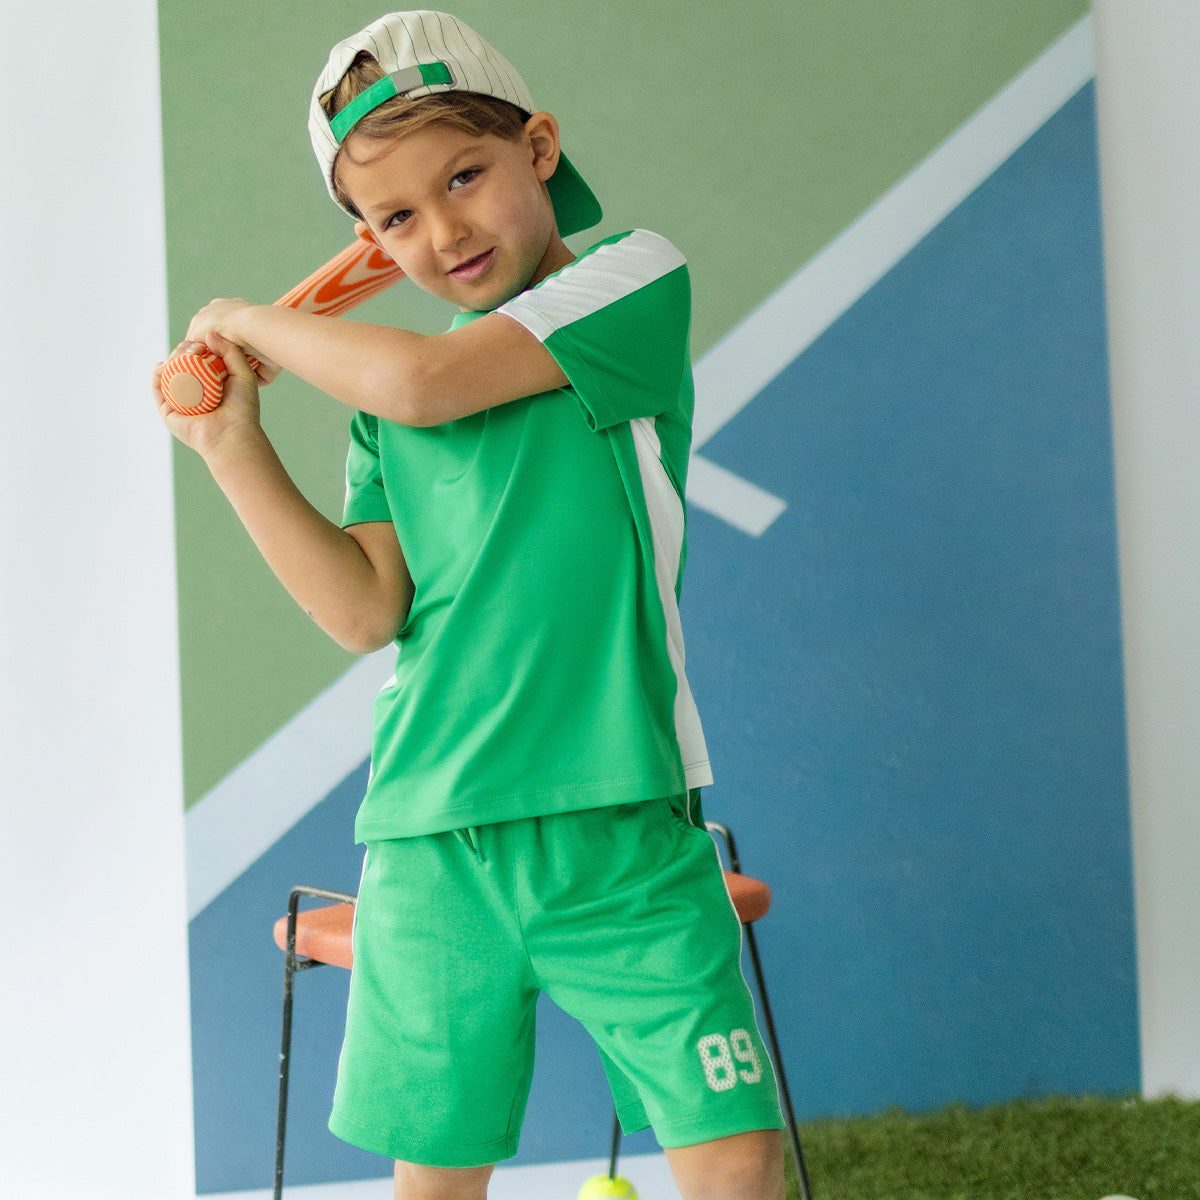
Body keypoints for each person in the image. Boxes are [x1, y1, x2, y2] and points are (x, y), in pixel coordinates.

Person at [154, 11, 788, 1199]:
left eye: (466, 177)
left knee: (733, 1155)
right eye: (395, 217)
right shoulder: (374, 413)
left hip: (621, 824)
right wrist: (231, 445)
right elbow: (360, 611)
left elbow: (426, 379)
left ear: (539, 148)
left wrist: (241, 321)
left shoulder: (627, 280)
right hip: (430, 836)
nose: (441, 232)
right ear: (362, 241)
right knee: (437, 1176)